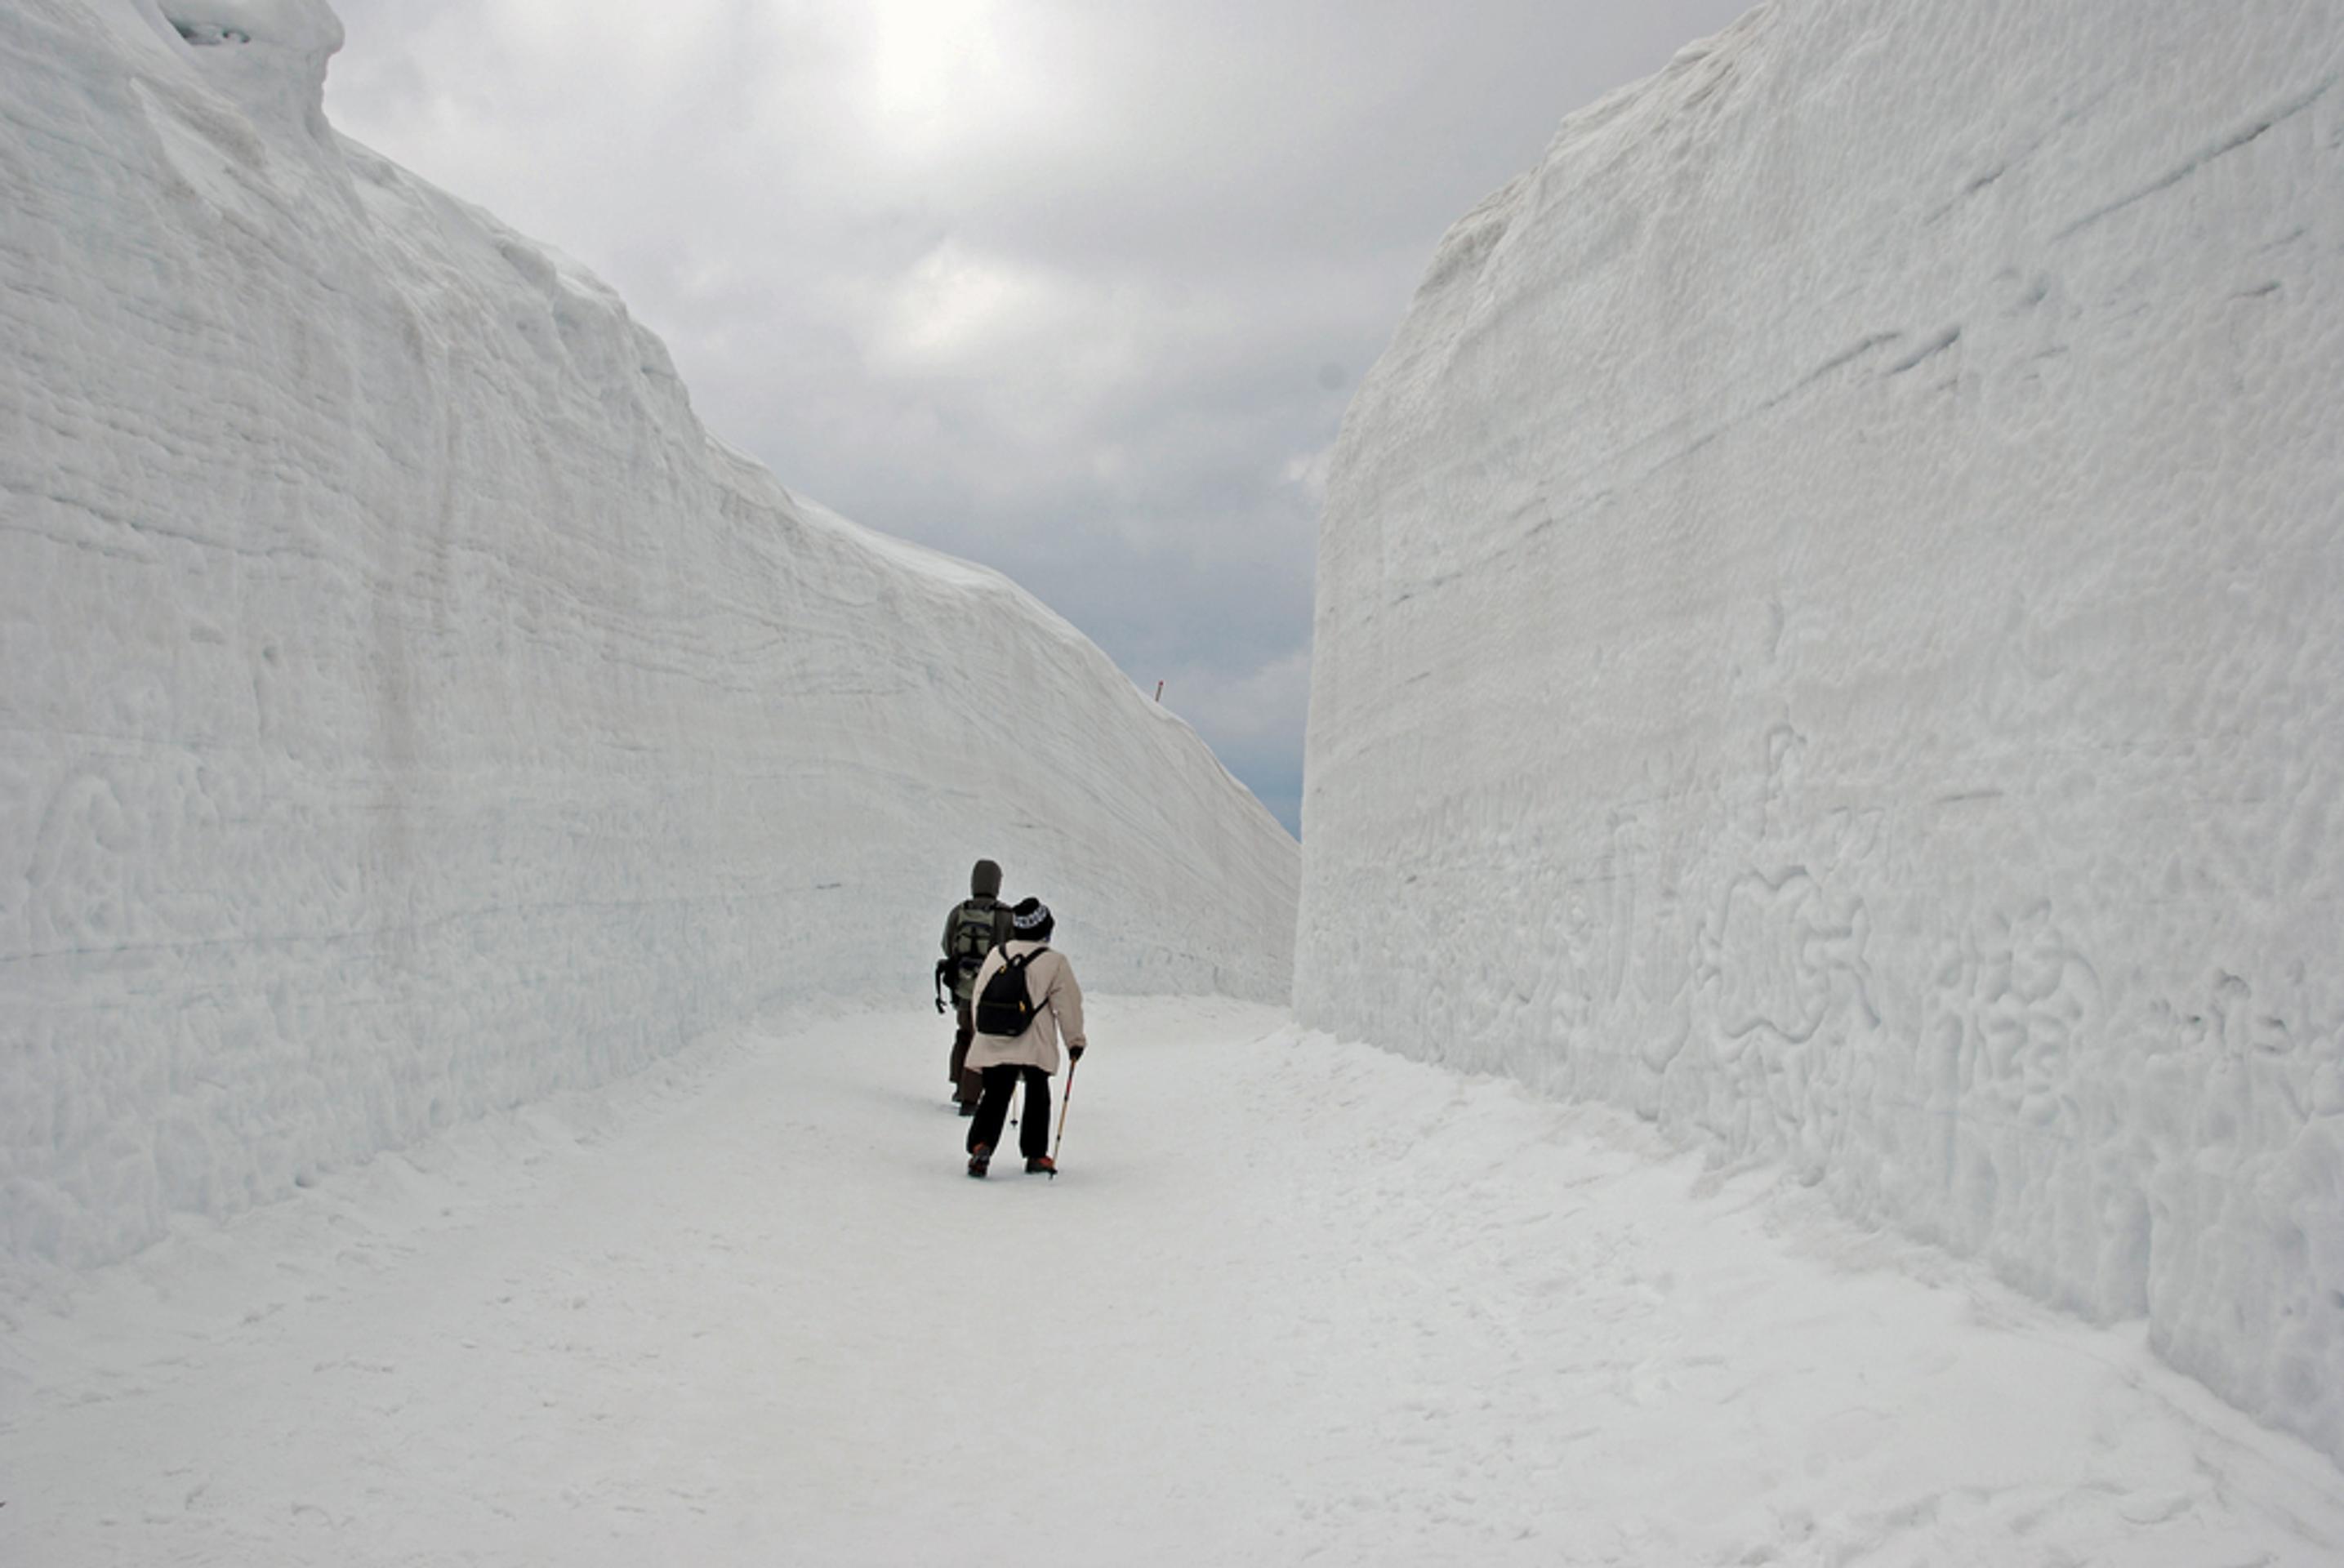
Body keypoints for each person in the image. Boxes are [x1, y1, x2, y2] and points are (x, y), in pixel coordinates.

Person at [963, 897, 1085, 1178]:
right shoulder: (1054, 962)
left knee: (995, 1094)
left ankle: (981, 1145)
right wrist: (1075, 1041)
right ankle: (1035, 1154)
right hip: (1034, 1041)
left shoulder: (997, 954)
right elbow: (1068, 1006)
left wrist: (985, 1029)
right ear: (1045, 929)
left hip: (994, 1036)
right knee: (1037, 1094)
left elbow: (978, 997)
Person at [940, 859, 1014, 1114]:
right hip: (991, 991)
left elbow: (947, 945)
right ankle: (971, 1099)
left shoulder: (958, 911)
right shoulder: (1005, 915)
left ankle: (960, 1087)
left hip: (962, 985)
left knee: (963, 1033)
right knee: (980, 1040)